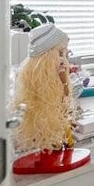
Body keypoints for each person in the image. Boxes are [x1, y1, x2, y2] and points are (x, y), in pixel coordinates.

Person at [12, 23, 75, 153]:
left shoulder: (55, 78)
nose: (64, 60)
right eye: (60, 53)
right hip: (38, 144)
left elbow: (65, 102)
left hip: (54, 136)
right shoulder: (35, 83)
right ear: (48, 57)